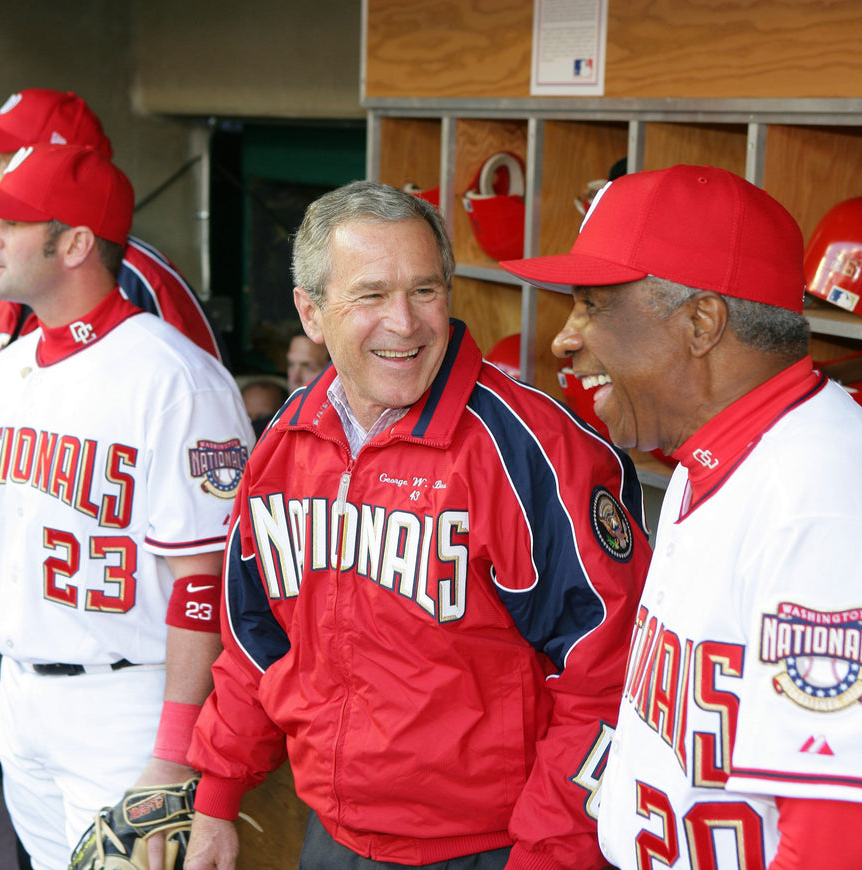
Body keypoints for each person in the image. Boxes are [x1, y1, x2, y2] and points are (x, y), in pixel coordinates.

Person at [501, 164, 862, 869]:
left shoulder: (826, 506)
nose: (564, 340)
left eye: (593, 304)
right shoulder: (733, 459)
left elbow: (847, 850)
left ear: (701, 322)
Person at [184, 180, 652, 870]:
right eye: (371, 296)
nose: (405, 323)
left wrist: (551, 854)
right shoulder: (285, 443)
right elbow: (256, 641)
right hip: (334, 835)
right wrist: (217, 798)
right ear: (311, 313)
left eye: (425, 291)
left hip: (494, 847)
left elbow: (609, 679)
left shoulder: (534, 449)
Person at [0, 144, 255, 869]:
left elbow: (206, 583)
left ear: (74, 243)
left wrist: (173, 754)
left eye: (10, 221)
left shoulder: (178, 379)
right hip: (19, 698)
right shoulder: (2, 373)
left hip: (128, 706)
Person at [0, 88, 226, 583]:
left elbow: (197, 447)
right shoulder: (16, 275)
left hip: (108, 598)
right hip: (12, 563)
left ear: (61, 159)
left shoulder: (130, 278)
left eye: (3, 156)